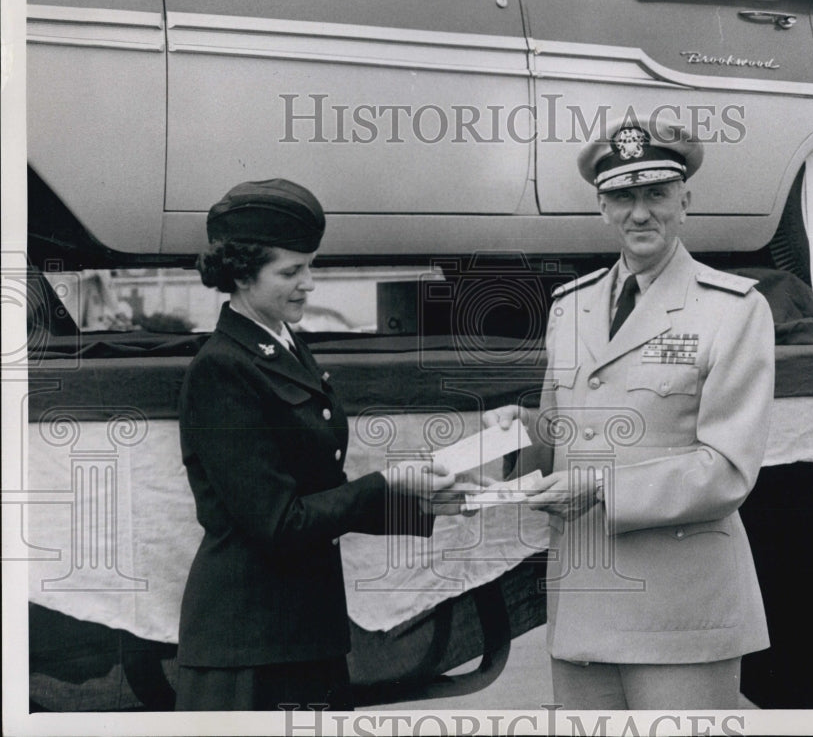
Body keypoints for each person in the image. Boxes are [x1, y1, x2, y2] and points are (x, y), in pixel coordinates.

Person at [485, 115, 775, 709]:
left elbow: (727, 469)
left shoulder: (733, 309)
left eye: (656, 194)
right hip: (584, 601)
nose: (640, 213)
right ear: (602, 207)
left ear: (685, 201)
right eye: (622, 196)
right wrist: (515, 435)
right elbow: (562, 434)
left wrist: (597, 486)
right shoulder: (570, 306)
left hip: (679, 612)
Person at [175, 178, 455, 711]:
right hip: (249, 647)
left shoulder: (284, 344)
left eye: (311, 265)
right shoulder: (222, 368)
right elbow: (279, 523)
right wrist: (389, 481)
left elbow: (319, 490)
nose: (309, 284)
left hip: (301, 633)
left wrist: (423, 500)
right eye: (291, 271)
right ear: (240, 273)